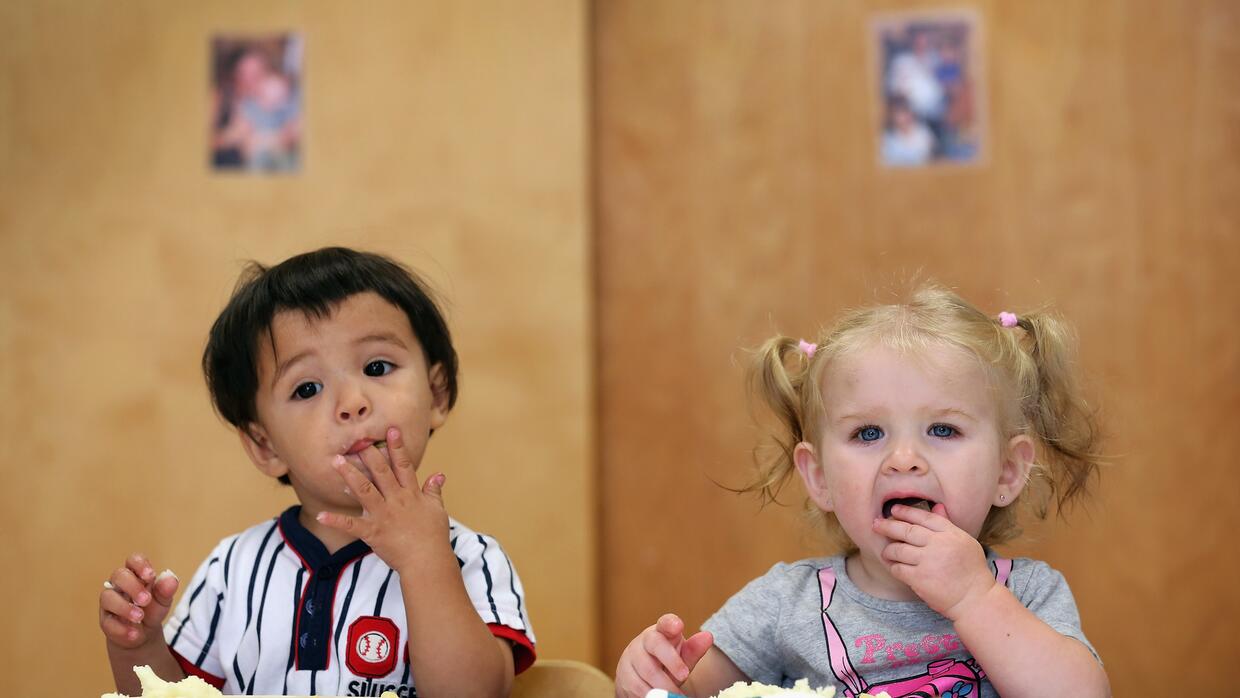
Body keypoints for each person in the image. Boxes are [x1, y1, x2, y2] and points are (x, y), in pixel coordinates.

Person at [616, 285, 1109, 697]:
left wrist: (974, 597)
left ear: (1007, 471)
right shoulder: (786, 603)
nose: (904, 458)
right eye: (869, 434)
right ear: (820, 477)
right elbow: (689, 687)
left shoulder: (1026, 594)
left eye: (942, 430)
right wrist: (654, 676)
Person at [99, 247, 536, 697]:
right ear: (265, 445)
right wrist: (138, 647)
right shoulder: (233, 568)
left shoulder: (471, 557)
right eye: (307, 388)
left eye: (377, 367)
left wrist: (426, 561)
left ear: (437, 393)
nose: (352, 403)